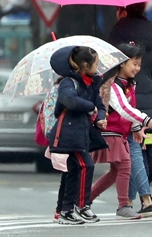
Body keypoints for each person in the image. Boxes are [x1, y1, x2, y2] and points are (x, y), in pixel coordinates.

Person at [91, 43, 152, 220]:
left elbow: (130, 108)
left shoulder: (129, 83)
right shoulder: (113, 85)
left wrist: (137, 127)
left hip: (120, 133)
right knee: (124, 166)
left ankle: (85, 200)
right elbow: (124, 109)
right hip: (111, 131)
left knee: (115, 172)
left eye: (139, 64)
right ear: (122, 62)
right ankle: (123, 205)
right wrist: (146, 121)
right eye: (135, 63)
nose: (137, 68)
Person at [109, 2, 152, 215]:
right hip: (147, 93)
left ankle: (135, 200)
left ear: (122, 10)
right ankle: (137, 199)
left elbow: (109, 64)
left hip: (125, 98)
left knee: (133, 152)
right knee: (144, 153)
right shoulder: (151, 29)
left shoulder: (117, 30)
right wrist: (146, 80)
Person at [48, 45, 106, 225]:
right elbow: (69, 100)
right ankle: (81, 206)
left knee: (73, 171)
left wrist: (99, 119)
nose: (98, 66)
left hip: (82, 132)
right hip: (68, 132)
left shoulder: (91, 83)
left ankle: (65, 209)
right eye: (96, 63)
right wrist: (90, 108)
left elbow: (100, 105)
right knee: (85, 165)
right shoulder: (68, 82)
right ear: (85, 65)